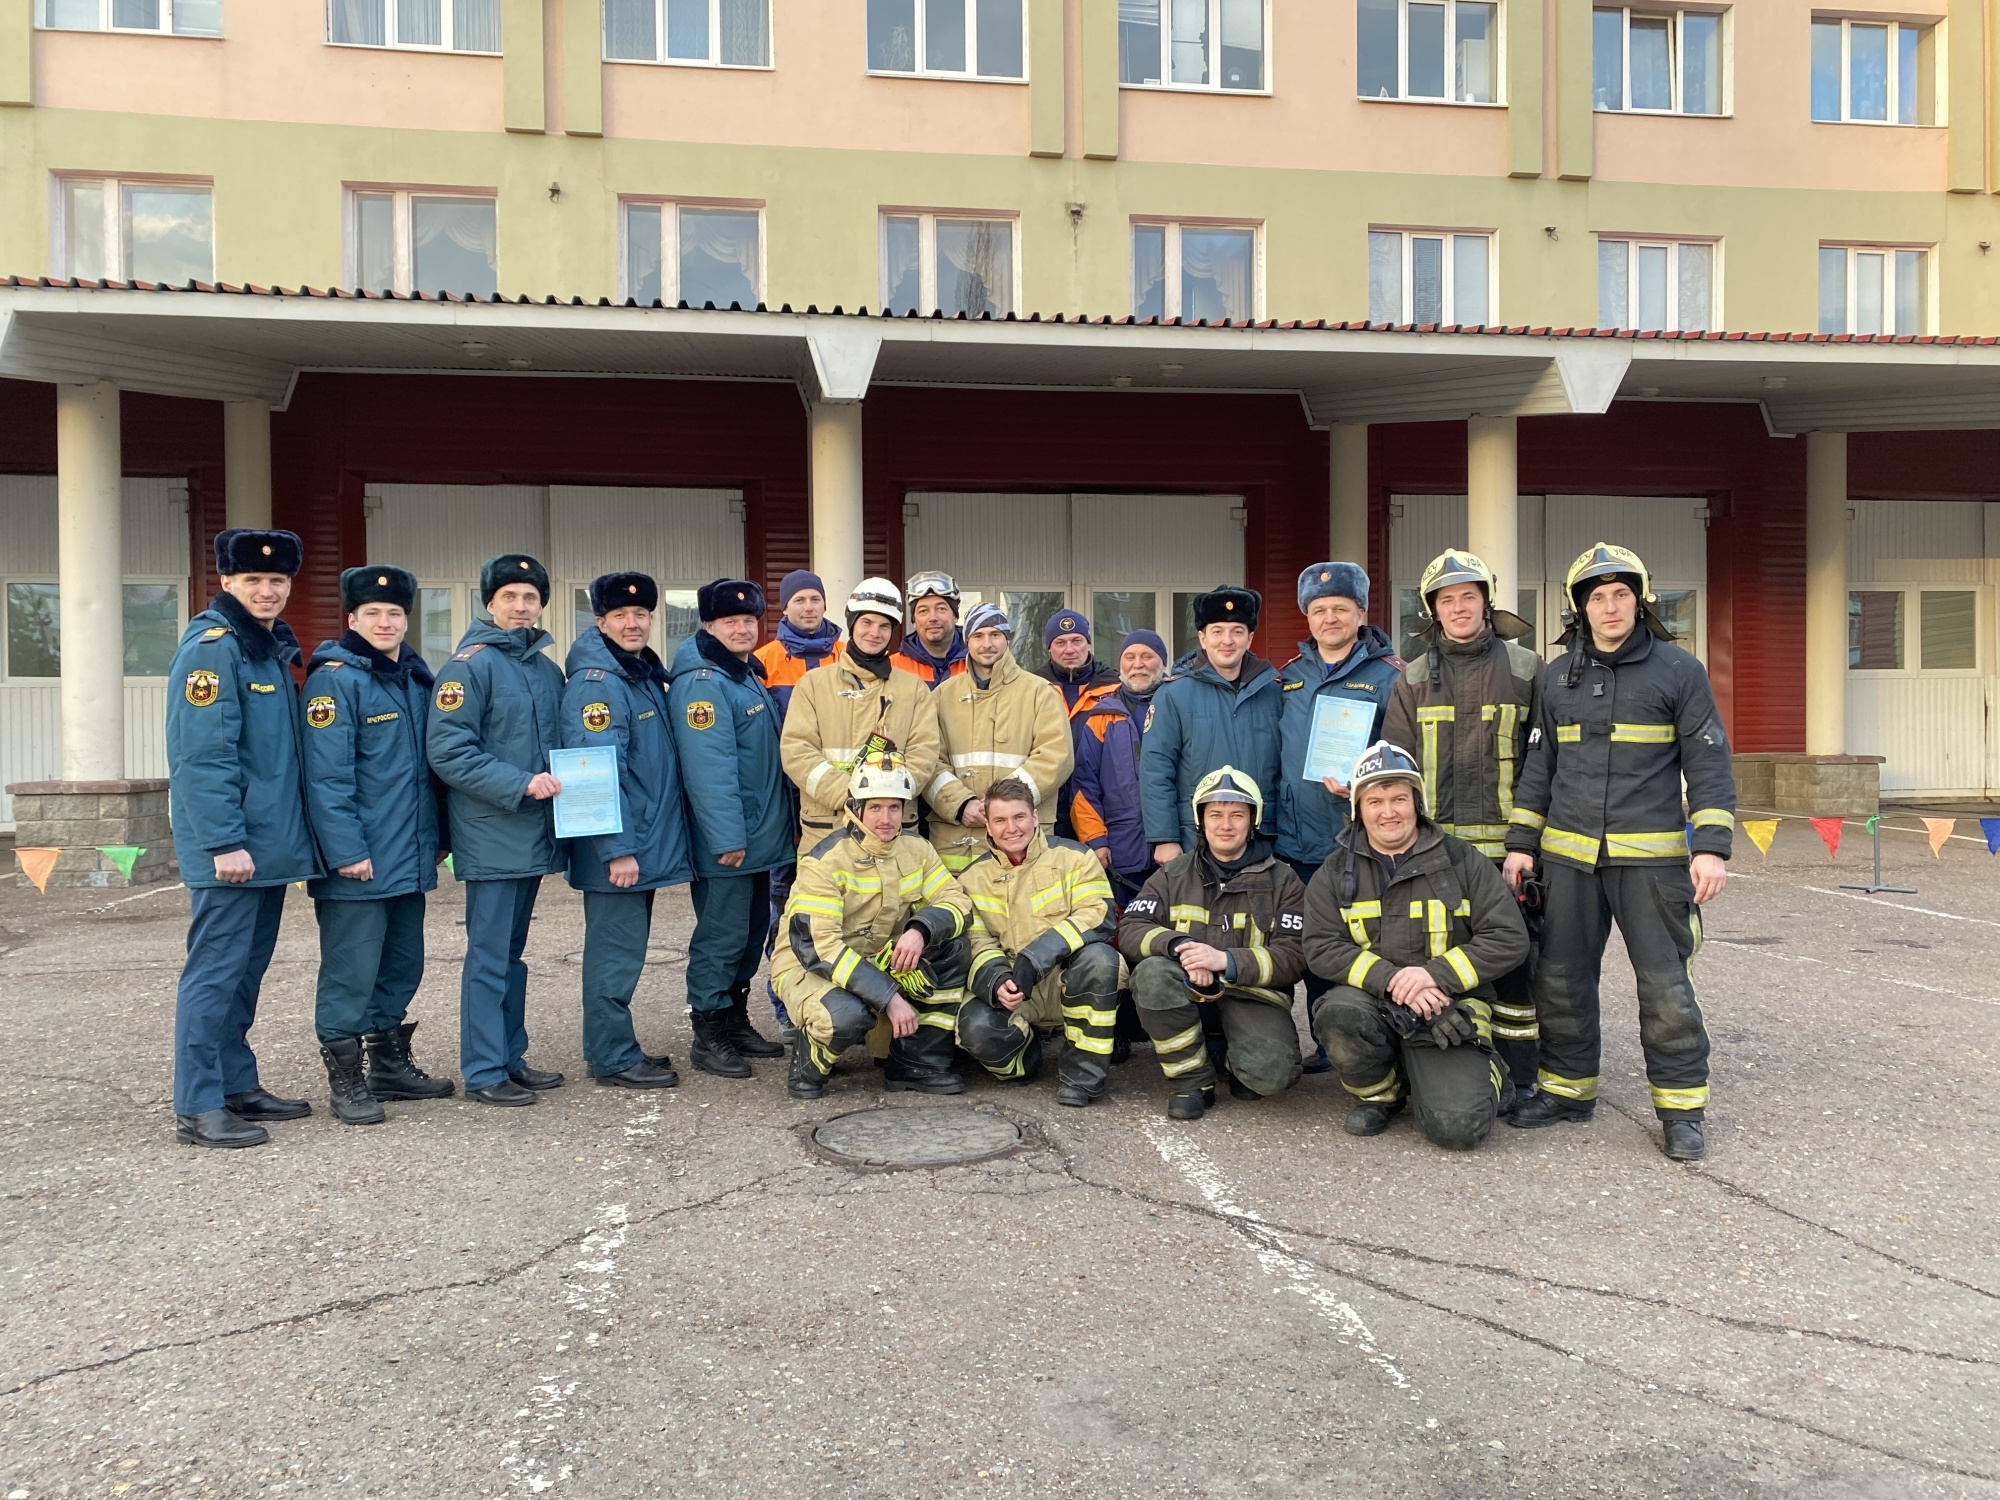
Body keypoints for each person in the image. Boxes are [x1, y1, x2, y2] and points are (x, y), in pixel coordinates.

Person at [1502, 543, 1736, 1162]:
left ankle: (1681, 1109)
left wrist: (1710, 847)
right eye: (1598, 597)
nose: (1611, 607)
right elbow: (1538, 766)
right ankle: (1567, 1090)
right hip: (1569, 861)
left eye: (1621, 595)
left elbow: (1708, 762)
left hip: (1652, 864)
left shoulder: (1678, 671)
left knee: (1665, 987)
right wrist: (1523, 844)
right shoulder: (1555, 676)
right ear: (1581, 608)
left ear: (1640, 601)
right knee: (1560, 980)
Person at [165, 528, 320, 1148]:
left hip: (267, 849)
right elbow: (203, 755)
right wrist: (223, 840)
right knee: (213, 974)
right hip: (233, 850)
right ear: (226, 581)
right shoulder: (213, 647)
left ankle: (235, 1082)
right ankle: (198, 1103)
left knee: (243, 974)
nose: (266, 590)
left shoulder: (266, 651)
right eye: (252, 580)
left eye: (277, 581)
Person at [1302, 742, 1529, 1150]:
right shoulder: (1335, 872)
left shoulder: (1462, 860)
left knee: (1457, 1130)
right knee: (1337, 1015)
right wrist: (1390, 980)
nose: (1388, 812)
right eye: (1375, 801)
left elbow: (1509, 937)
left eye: (1399, 799)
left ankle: (1490, 1069)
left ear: (1416, 803)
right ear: (1358, 808)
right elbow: (1320, 946)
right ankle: (1381, 1096)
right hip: (1375, 999)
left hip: (1449, 1003)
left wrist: (1433, 976)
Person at [1382, 549, 1543, 1107]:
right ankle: (1445, 1065)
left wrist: (1524, 843)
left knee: (1517, 967)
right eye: (1446, 599)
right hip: (1436, 852)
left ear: (1486, 602)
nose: (1458, 608)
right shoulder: (1414, 676)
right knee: (1442, 956)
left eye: (1467, 597)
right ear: (1433, 609)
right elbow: (1398, 763)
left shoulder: (1525, 669)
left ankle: (1522, 1077)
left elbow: (1542, 764)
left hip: (1509, 852)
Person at [302, 564, 454, 1126]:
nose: (386, 622)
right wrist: (344, 850)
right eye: (374, 614)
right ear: (352, 618)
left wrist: (438, 837)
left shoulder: (414, 680)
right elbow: (326, 777)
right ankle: (346, 1080)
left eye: (395, 614)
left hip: (408, 855)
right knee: (350, 971)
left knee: (401, 964)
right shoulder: (335, 680)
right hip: (359, 860)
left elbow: (430, 772)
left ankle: (387, 1067)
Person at [428, 553, 568, 1107]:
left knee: (512, 954)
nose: (520, 606)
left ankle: (511, 1057)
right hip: (492, 831)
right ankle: (484, 1070)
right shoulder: (468, 666)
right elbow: (448, 751)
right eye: (509, 596)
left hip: (531, 833)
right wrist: (521, 784)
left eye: (529, 597)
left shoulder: (544, 669)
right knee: (489, 957)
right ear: (489, 604)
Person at [773, 755, 976, 1099]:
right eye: (876, 807)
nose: (886, 819)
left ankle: (914, 1063)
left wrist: (920, 929)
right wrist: (889, 997)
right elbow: (819, 948)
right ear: (856, 808)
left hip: (878, 961)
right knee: (846, 1017)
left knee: (952, 947)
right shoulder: (825, 861)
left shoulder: (917, 850)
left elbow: (958, 902)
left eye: (894, 808)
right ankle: (809, 1062)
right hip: (810, 967)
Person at [562, 572, 692, 1090]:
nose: (633, 623)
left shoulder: (636, 675)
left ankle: (616, 1047)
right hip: (618, 849)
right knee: (613, 957)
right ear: (601, 621)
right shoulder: (597, 684)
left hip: (639, 844)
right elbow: (591, 771)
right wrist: (617, 850)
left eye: (641, 615)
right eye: (620, 616)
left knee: (626, 952)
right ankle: (612, 1057)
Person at [1119, 767, 1308, 1119]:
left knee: (1270, 1075)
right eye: (1215, 814)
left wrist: (1224, 961)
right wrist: (1181, 949)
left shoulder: (1284, 881)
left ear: (1253, 820)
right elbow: (1131, 927)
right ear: (1200, 820)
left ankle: (1229, 1055)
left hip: (1253, 996)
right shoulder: (1172, 875)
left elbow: (1295, 955)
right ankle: (1191, 1081)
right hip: (1187, 988)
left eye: (1237, 814)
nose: (1226, 825)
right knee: (1152, 974)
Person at [1276, 562, 1402, 1072]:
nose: (1330, 618)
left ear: (1361, 613)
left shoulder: (1390, 676)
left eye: (1340, 609)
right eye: (1320, 610)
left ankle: (1360, 1040)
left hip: (1355, 836)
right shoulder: (1288, 676)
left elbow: (1404, 757)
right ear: (1308, 617)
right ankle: (1321, 1042)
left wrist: (1366, 786)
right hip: (1292, 836)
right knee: (1302, 940)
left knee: (1356, 941)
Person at [668, 578, 793, 1078]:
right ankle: (709, 1031)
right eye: (730, 622)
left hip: (758, 838)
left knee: (748, 934)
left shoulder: (744, 674)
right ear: (708, 625)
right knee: (721, 936)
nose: (742, 629)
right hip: (732, 841)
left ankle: (736, 1018)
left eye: (749, 621)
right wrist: (727, 838)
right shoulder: (704, 682)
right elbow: (710, 768)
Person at [955, 778, 1122, 1106]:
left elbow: (1098, 914)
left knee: (1101, 959)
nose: (1011, 829)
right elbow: (974, 939)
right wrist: (995, 979)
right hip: (1015, 991)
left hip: (1066, 982)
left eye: (1019, 817)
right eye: (1000, 820)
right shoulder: (971, 877)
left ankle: (1082, 1078)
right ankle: (1025, 1060)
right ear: (987, 825)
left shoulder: (1075, 857)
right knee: (974, 1027)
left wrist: (1038, 956)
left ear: (1035, 816)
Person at [781, 577, 942, 851]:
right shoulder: (813, 684)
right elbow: (797, 751)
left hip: (893, 833)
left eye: (884, 626)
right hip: (827, 831)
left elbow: (924, 754)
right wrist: (851, 795)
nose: (874, 633)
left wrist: (883, 802)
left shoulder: (913, 689)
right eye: (866, 622)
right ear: (852, 624)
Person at [752, 568, 843, 1035]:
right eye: (800, 600)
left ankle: (840, 1002)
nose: (809, 608)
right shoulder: (763, 661)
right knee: (783, 904)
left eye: (815, 599)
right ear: (784, 607)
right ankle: (785, 1006)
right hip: (783, 802)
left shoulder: (848, 656)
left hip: (837, 804)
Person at [925, 602, 1074, 874]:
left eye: (995, 635)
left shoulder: (1040, 692)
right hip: (955, 840)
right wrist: (960, 804)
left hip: (1020, 836)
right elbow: (928, 759)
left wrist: (1002, 808)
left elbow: (1056, 757)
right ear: (967, 640)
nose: (987, 644)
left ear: (1007, 639)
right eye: (978, 636)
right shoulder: (941, 696)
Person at [1139, 585, 1281, 864]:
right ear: (1202, 638)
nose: (1227, 641)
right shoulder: (1173, 694)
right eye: (1217, 631)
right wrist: (1164, 838)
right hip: (1195, 838)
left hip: (1263, 838)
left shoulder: (1274, 692)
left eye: (1237, 631)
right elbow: (1156, 770)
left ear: (1250, 638)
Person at [1071, 628, 1170, 908]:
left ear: (1163, 663)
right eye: (1129, 657)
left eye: (1147, 656)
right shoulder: (1102, 715)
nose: (1137, 664)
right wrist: (1095, 839)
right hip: (1122, 851)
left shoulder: (1179, 706)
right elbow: (1083, 785)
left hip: (1176, 852)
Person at [1036, 608, 1119, 841]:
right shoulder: (1034, 688)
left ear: (1089, 643)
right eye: (1060, 642)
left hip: (1102, 806)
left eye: (1076, 640)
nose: (1069, 649)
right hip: (1049, 807)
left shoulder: (1115, 688)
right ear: (1049, 648)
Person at [894, 569, 969, 688]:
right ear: (914, 621)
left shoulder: (977, 663)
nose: (933, 618)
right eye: (923, 611)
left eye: (941, 609)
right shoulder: (893, 667)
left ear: (955, 616)